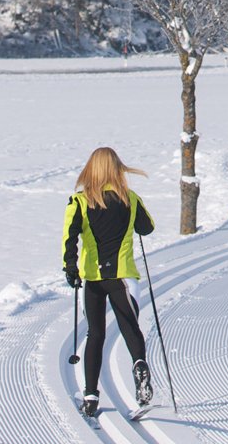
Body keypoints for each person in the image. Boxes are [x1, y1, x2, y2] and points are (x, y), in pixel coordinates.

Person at [62, 147, 155, 417]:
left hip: (93, 279)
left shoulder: (79, 202)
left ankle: (90, 396)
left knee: (95, 334)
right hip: (123, 277)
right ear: (117, 169)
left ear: (91, 169)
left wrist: (70, 267)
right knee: (129, 327)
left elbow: (69, 238)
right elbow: (147, 228)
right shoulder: (131, 199)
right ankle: (139, 366)